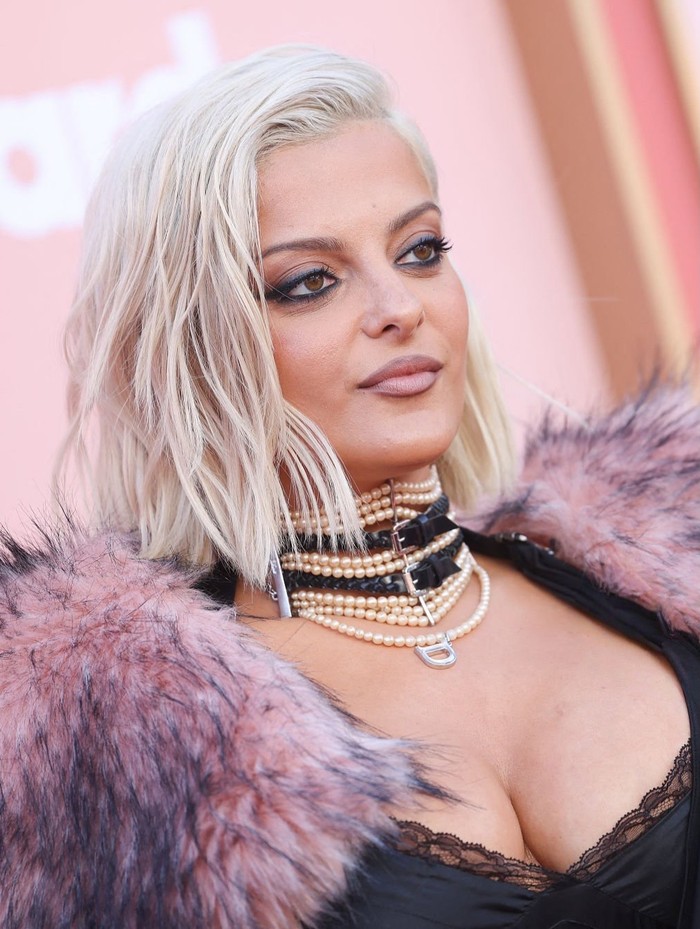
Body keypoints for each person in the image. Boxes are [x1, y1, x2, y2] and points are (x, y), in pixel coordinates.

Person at [2, 44, 699, 929]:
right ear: (190, 346)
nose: (399, 306)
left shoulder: (661, 573)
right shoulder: (118, 750)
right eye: (310, 282)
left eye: (420, 250)